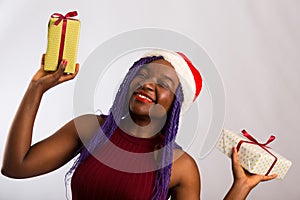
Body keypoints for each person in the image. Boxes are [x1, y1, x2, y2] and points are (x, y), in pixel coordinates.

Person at [1, 49, 277, 200]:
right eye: (142, 74)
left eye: (164, 83)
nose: (147, 82)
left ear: (176, 103)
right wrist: (36, 89)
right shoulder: (90, 129)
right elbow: (15, 167)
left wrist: (240, 188)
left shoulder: (180, 166)